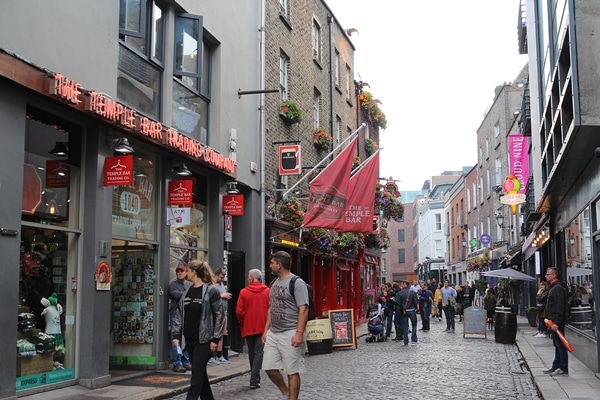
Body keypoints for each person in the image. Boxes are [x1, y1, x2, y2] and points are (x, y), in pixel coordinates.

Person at [171, 260, 225, 400]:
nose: (186, 273)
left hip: (205, 340)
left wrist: (215, 338)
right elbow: (179, 315)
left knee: (196, 373)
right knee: (200, 373)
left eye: (188, 270)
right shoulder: (187, 291)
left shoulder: (210, 290)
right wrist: (176, 335)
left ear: (194, 272)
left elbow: (220, 315)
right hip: (190, 339)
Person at [262, 251, 309, 400]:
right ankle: (285, 391)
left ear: (279, 265)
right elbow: (271, 307)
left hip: (290, 331)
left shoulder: (297, 282)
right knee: (268, 367)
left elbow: (304, 308)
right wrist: (266, 330)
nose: (270, 265)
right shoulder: (273, 283)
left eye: (272, 263)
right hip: (274, 333)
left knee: (292, 370)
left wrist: (299, 333)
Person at [235, 268, 270, 390]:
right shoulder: (267, 291)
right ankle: (255, 379)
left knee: (252, 352)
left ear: (251, 278)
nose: (247, 279)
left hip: (249, 326)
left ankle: (254, 378)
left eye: (248, 277)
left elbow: (239, 311)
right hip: (262, 326)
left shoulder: (244, 292)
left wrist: (243, 321)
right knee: (259, 353)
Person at [543, 267, 569, 376]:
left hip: (557, 322)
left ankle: (563, 368)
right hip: (552, 321)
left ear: (554, 275)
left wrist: (557, 323)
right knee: (557, 344)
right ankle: (556, 365)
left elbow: (560, 307)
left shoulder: (557, 288)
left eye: (548, 274)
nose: (546, 276)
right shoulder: (553, 288)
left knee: (560, 345)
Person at [169, 265, 192, 372]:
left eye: (182, 271)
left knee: (187, 339)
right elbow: (177, 295)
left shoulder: (190, 284)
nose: (180, 273)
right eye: (178, 271)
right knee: (176, 340)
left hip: (187, 315)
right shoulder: (172, 285)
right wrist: (190, 294)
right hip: (176, 315)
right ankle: (177, 363)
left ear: (186, 273)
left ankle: (186, 361)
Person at [209, 267, 232, 365]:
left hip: (222, 312)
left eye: (223, 277)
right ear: (216, 275)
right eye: (221, 277)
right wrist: (222, 296)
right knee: (212, 334)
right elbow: (209, 296)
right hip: (214, 313)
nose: (222, 279)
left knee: (221, 334)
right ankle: (210, 356)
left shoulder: (221, 284)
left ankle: (219, 355)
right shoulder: (211, 284)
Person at [396, 280, 418, 345]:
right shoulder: (413, 292)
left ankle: (406, 341)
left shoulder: (400, 293)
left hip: (404, 311)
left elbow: (399, 303)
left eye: (402, 284)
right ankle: (414, 339)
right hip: (411, 310)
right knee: (414, 325)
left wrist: (402, 309)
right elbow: (416, 302)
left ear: (404, 284)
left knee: (405, 326)